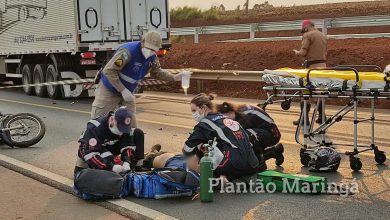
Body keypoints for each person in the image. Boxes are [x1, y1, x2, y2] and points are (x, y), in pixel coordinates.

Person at [91, 31, 192, 127]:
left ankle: (129, 144)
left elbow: (157, 72)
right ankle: (90, 143)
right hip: (109, 88)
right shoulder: (127, 52)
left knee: (131, 125)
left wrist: (175, 77)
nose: (150, 52)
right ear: (142, 42)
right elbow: (109, 71)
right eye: (148, 48)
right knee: (98, 123)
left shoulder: (152, 57)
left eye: (153, 50)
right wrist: (122, 90)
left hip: (128, 93)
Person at [182, 93, 262, 181]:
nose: (193, 114)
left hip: (234, 165)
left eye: (194, 110)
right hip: (253, 164)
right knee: (222, 143)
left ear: (204, 108)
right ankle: (241, 177)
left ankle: (212, 178)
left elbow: (187, 149)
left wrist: (193, 161)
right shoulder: (226, 118)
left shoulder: (204, 124)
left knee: (201, 146)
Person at [74, 107, 145, 175]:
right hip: (92, 149)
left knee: (137, 133)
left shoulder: (124, 127)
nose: (121, 132)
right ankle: (83, 167)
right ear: (111, 120)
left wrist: (127, 161)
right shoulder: (95, 128)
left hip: (111, 144)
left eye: (123, 129)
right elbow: (91, 154)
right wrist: (111, 167)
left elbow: (127, 145)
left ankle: (136, 168)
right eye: (119, 128)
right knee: (106, 158)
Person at [215, 102, 284, 167]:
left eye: (226, 117)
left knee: (243, 136)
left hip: (273, 135)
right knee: (243, 139)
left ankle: (260, 161)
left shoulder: (245, 115)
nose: (226, 120)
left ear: (231, 112)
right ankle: (274, 151)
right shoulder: (238, 112)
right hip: (262, 132)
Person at [293, 20, 328, 125]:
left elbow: (303, 52)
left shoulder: (308, 35)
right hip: (323, 67)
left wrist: (297, 53)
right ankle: (322, 117)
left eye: (303, 30)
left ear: (306, 27)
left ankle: (304, 119)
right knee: (320, 92)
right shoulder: (323, 35)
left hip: (311, 68)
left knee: (305, 92)